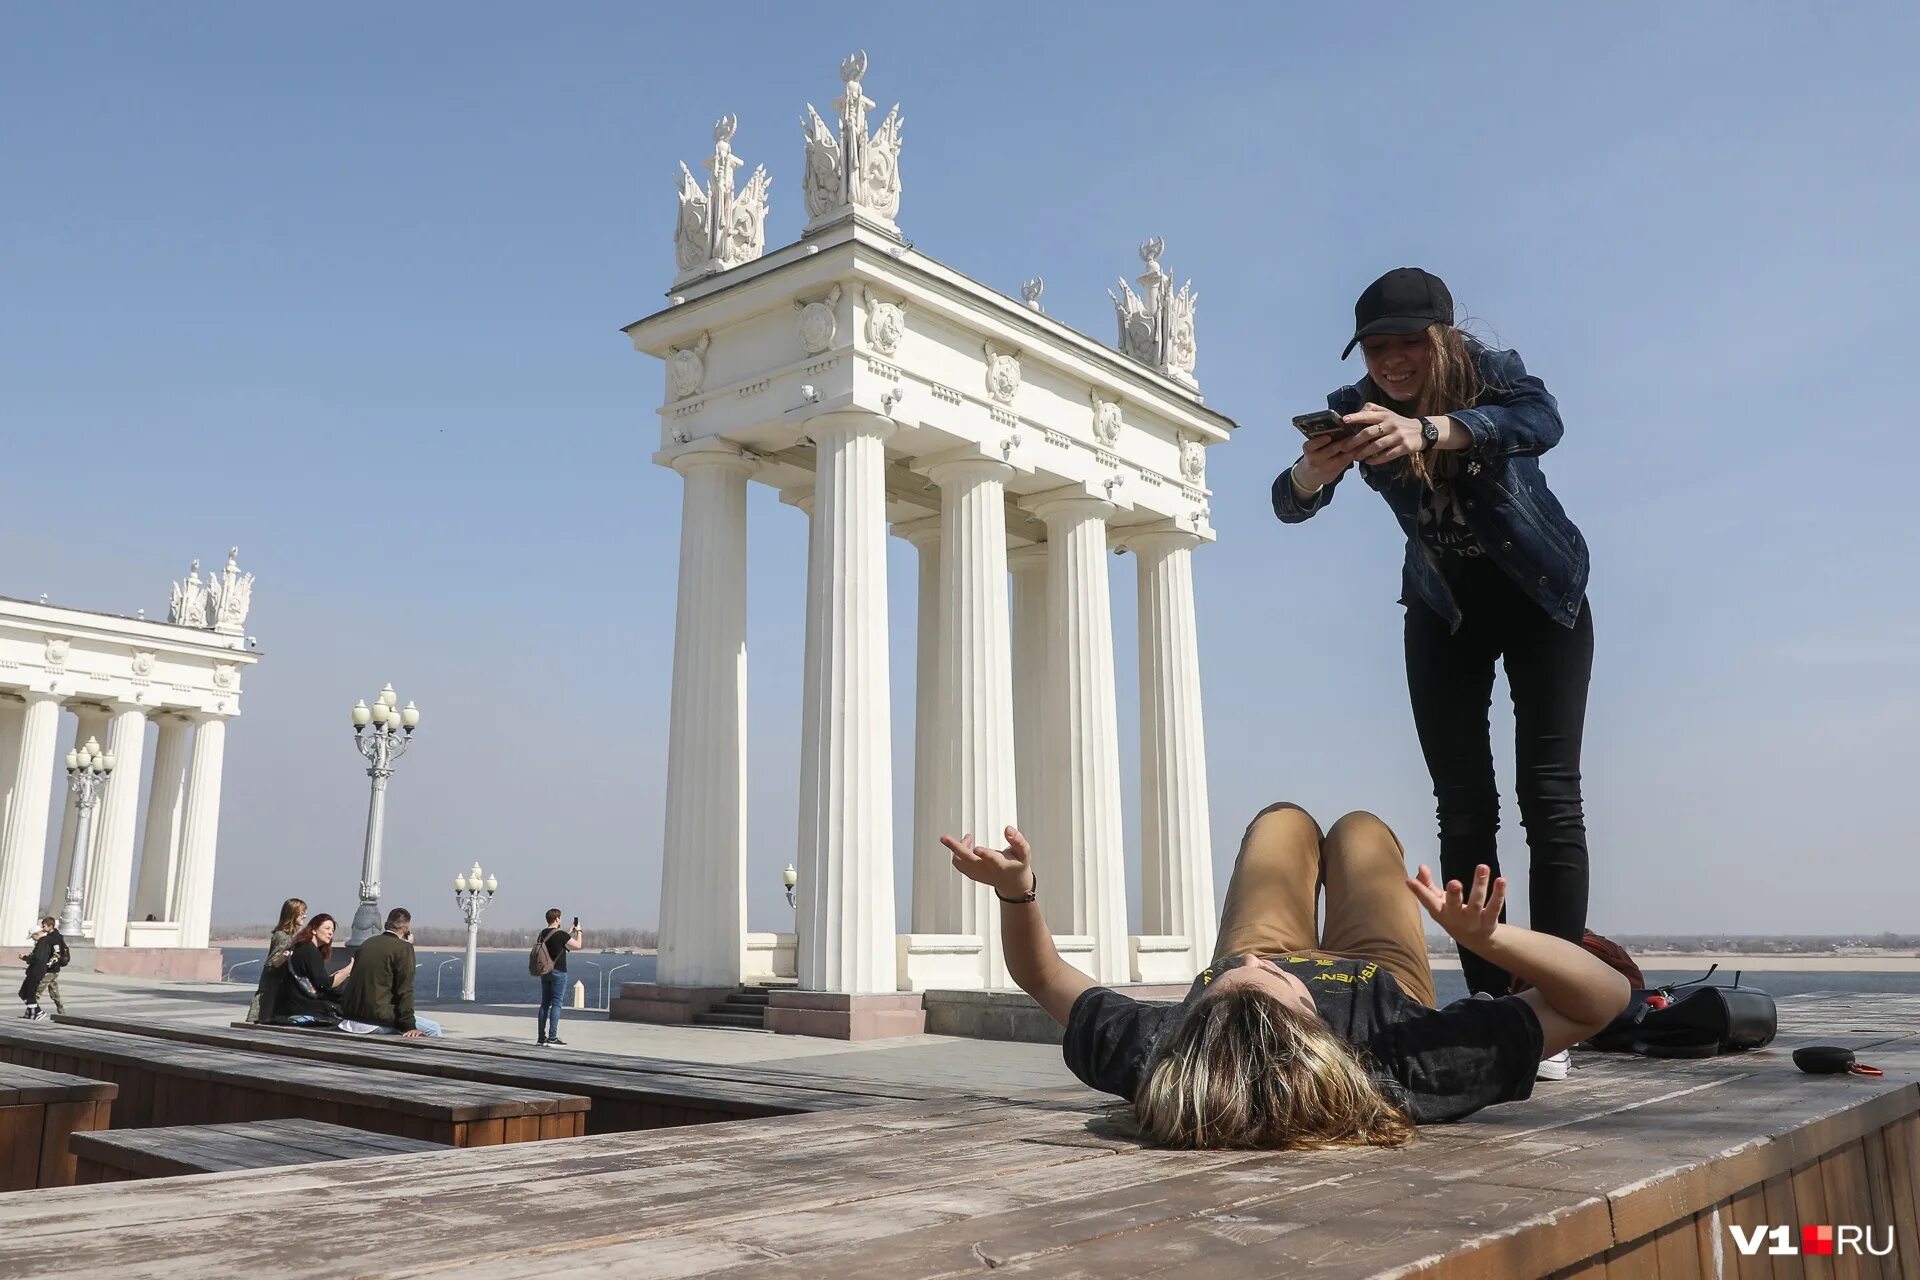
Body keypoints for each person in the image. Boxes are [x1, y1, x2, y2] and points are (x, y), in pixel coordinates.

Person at [1272, 268, 1594, 1080]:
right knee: (1463, 805)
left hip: (1541, 596)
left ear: (1441, 339)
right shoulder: (1356, 403)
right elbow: (1286, 501)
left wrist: (1433, 430)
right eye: (1377, 347)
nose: (1391, 362)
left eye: (1407, 344)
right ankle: (1493, 1002)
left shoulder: (1490, 373)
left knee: (1549, 796)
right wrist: (1318, 469)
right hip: (1443, 610)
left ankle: (1555, 996)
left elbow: (1542, 420)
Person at [943, 806, 1629, 1150]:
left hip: (1264, 961)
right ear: (1311, 1022)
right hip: (1379, 973)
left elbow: (1042, 975)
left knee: (1282, 824)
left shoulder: (1167, 1055)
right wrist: (1492, 939)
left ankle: (1292, 830)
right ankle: (1352, 844)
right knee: (1361, 832)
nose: (1251, 964)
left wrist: (1018, 894)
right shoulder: (1399, 1063)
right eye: (1268, 978)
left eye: (1222, 979)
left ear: (1199, 1020)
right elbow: (1603, 996)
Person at [339, 908, 440, 1038]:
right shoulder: (403, 949)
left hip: (351, 1019)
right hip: (376, 1020)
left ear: (387, 924)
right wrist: (409, 1026)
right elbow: (405, 990)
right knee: (434, 1029)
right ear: (407, 927)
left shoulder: (367, 944)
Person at [273, 913, 351, 1026]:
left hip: (290, 1003)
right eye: (327, 928)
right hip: (301, 1005)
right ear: (314, 930)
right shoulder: (310, 951)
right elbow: (325, 984)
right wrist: (348, 969)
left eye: (333, 930)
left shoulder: (301, 946)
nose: (330, 933)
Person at [248, 897, 307, 1024]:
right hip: (271, 991)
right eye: (302, 913)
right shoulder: (282, 936)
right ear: (292, 914)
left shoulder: (289, 936)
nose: (305, 916)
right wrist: (285, 957)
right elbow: (271, 963)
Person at [535, 909, 584, 1047]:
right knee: (556, 1004)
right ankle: (552, 1037)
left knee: (545, 1003)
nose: (561, 920)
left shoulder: (542, 934)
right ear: (556, 919)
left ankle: (541, 1038)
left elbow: (555, 941)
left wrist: (568, 931)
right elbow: (578, 945)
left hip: (545, 972)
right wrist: (579, 931)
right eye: (560, 918)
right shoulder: (561, 934)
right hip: (559, 972)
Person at [18, 918, 69, 1021]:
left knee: (34, 992)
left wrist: (27, 958)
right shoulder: (49, 939)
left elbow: (44, 957)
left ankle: (35, 1013)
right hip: (48, 969)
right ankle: (60, 1012)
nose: (43, 928)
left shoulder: (50, 939)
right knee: (54, 992)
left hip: (48, 970)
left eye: (44, 926)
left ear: (50, 926)